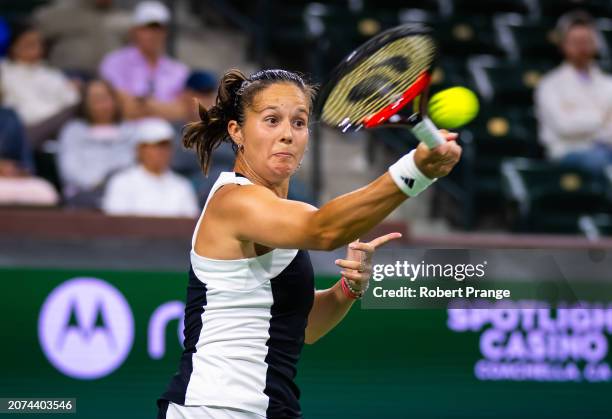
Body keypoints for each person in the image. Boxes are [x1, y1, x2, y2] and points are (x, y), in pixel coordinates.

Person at [156, 69, 461, 418]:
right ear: (236, 131)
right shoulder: (235, 202)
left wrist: (346, 289)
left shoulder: (275, 214)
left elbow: (306, 327)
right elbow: (325, 231)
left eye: (299, 123)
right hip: (217, 408)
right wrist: (416, 170)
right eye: (271, 120)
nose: (287, 134)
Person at [535, 10, 612, 178]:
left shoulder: (608, 83)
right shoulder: (549, 84)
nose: (582, 47)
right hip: (566, 153)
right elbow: (564, 126)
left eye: (587, 41)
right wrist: (600, 118)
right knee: (600, 161)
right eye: (576, 42)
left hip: (606, 150)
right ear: (563, 45)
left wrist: (582, 118)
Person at [99, 0, 189, 121]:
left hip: (168, 135)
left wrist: (144, 104)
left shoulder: (179, 70)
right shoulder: (113, 62)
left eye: (158, 28)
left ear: (166, 32)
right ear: (134, 31)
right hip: (126, 134)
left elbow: (184, 111)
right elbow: (124, 109)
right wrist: (165, 108)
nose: (153, 34)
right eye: (147, 28)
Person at [57, 79, 135, 208]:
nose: (102, 104)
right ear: (85, 103)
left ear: (115, 100)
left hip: (123, 194)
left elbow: (133, 166)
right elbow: (69, 170)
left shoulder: (130, 131)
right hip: (83, 194)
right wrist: (96, 183)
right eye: (95, 99)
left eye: (105, 98)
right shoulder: (73, 131)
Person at [0, 22, 79, 148]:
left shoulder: (52, 74)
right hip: (22, 130)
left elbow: (71, 102)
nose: (36, 48)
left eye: (38, 43)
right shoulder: (4, 70)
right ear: (14, 46)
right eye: (29, 43)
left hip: (57, 128)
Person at [102, 117, 199, 217]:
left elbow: (190, 224)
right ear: (140, 149)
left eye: (166, 146)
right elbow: (116, 224)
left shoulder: (182, 186)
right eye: (156, 146)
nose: (162, 152)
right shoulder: (121, 182)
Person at [33, 0, 131, 76]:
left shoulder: (125, 18)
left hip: (109, 79)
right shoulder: (59, 12)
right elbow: (32, 40)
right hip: (68, 77)